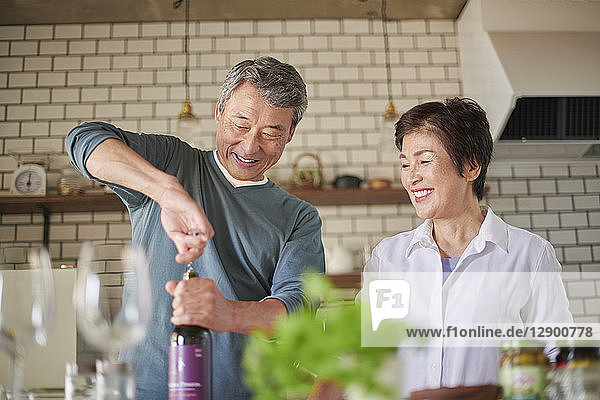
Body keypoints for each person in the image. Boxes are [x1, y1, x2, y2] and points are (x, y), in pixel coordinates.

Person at [66, 56, 325, 399]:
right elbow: (84, 140)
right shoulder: (173, 163)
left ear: (290, 134)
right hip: (145, 391)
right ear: (219, 111)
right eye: (240, 124)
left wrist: (228, 313)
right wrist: (165, 191)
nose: (250, 146)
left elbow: (296, 310)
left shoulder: (298, 216)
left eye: (271, 133)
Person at [360, 97, 573, 396]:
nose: (412, 176)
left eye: (424, 161)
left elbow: (557, 358)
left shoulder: (530, 255)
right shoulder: (389, 259)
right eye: (405, 164)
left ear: (471, 165)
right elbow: (368, 358)